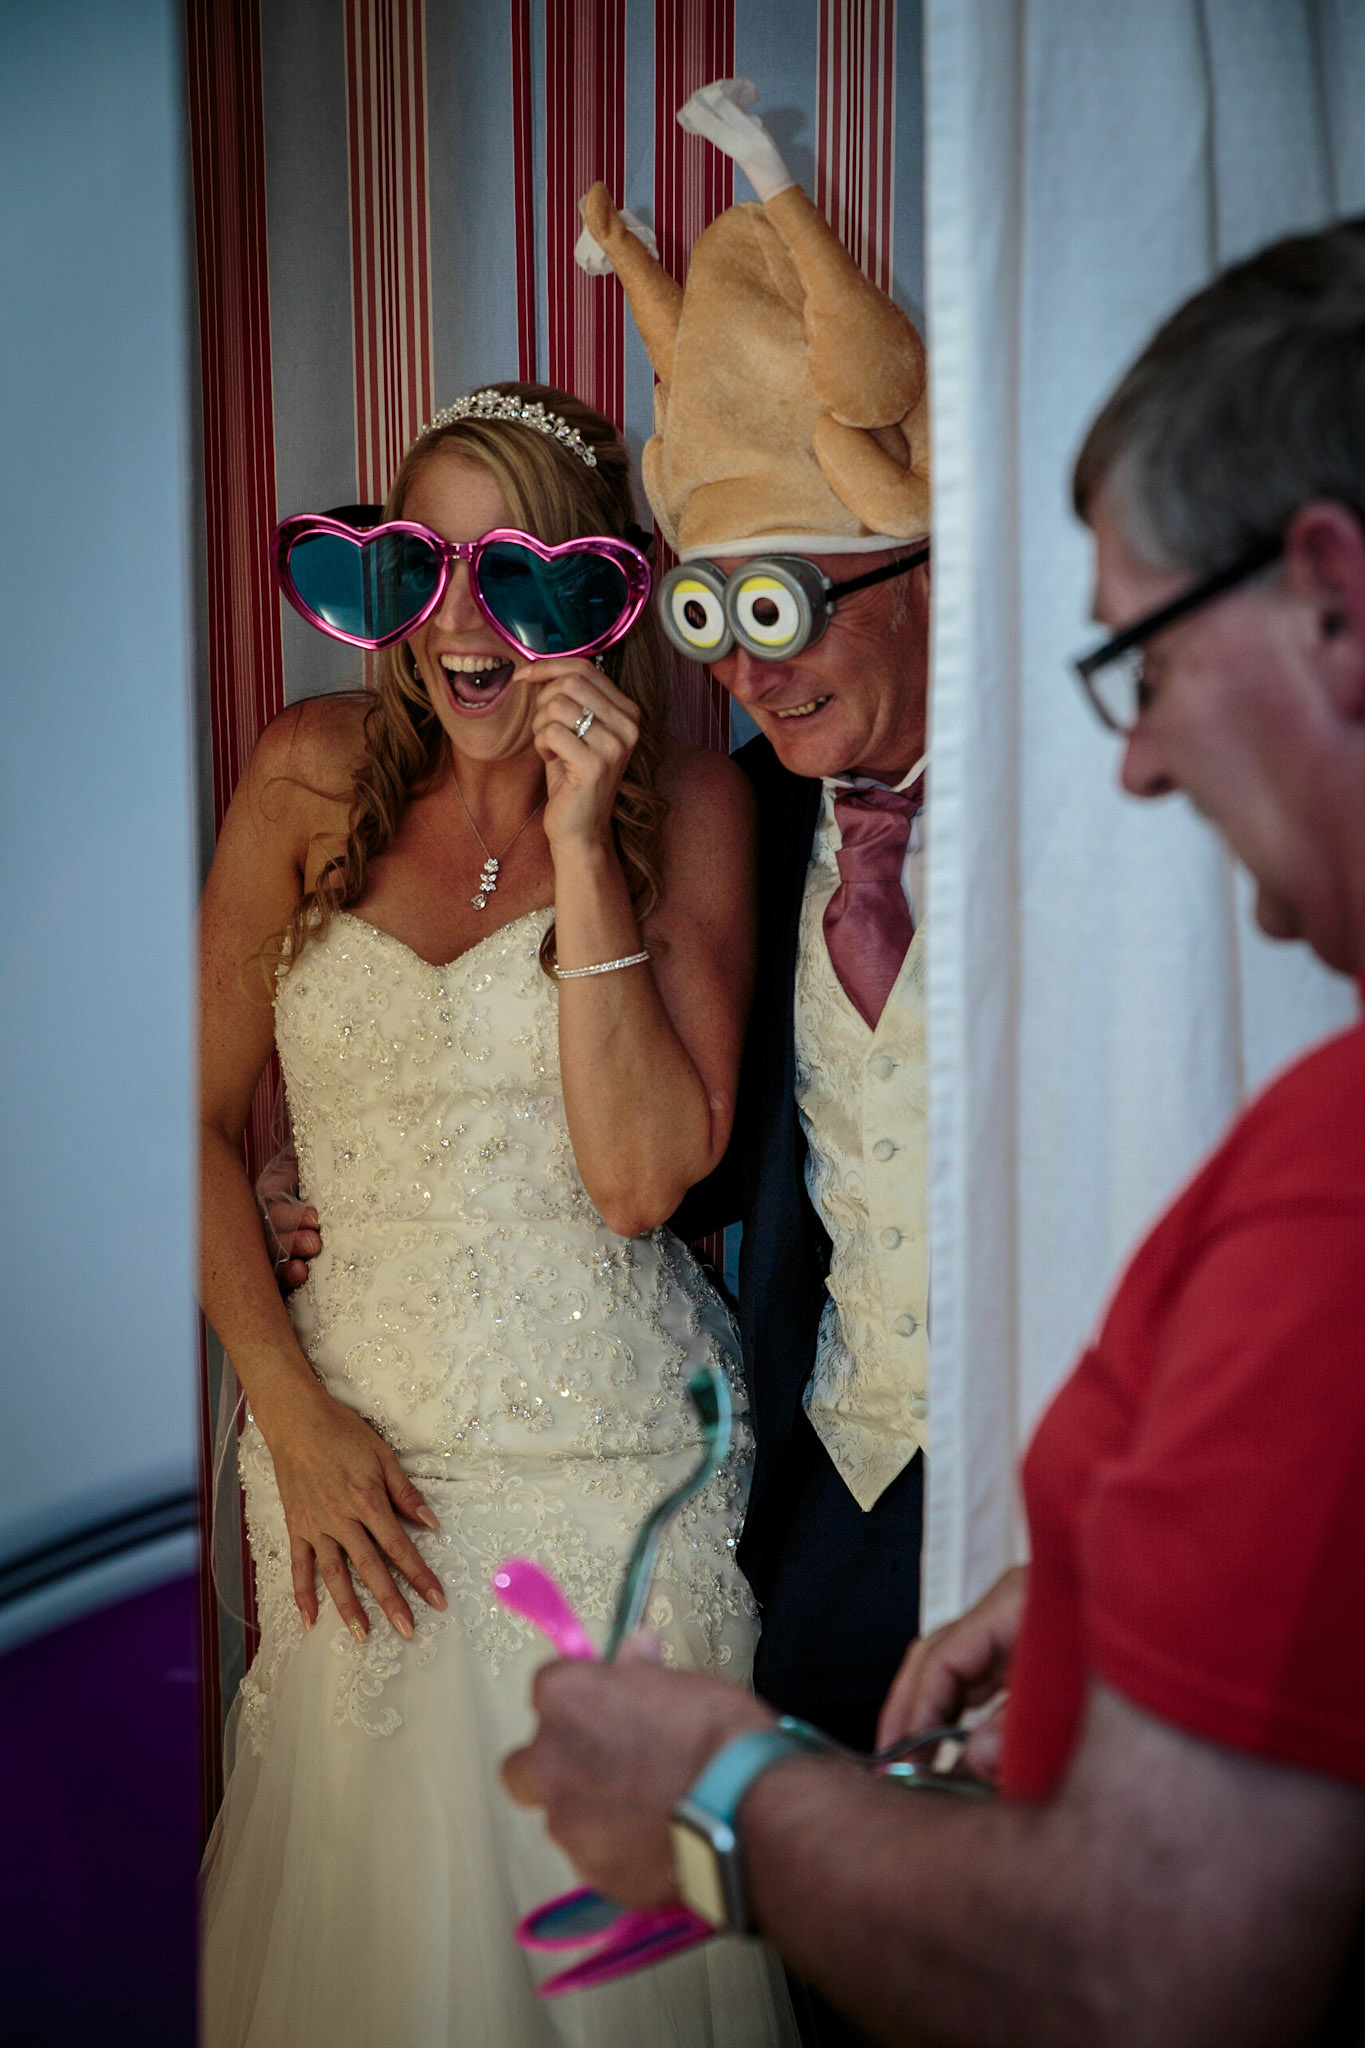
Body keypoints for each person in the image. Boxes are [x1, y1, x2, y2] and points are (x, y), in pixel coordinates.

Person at [505, 220, 1365, 2047]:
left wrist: (723, 1810)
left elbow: (1154, 1956)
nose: (744, 668)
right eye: (706, 616)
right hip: (837, 1500)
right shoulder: (741, 821)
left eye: (783, 603)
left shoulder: (1175, 938)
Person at [198, 381, 795, 2046]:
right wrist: (289, 1412)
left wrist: (587, 845)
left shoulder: (696, 808)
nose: (462, 623)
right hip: (347, 1468)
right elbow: (182, 1125)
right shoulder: (303, 775)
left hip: (610, 1473)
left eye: (518, 575)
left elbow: (641, 1181)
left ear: (597, 593)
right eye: (421, 566)